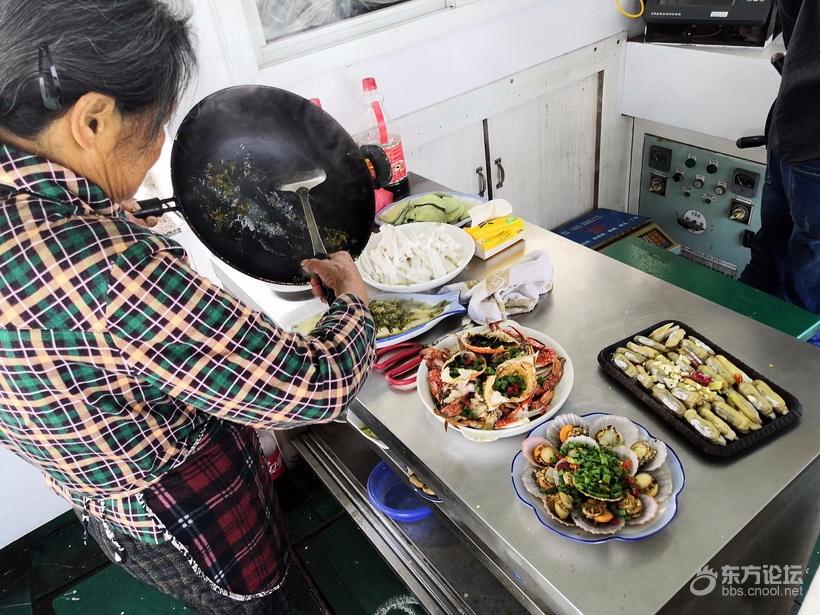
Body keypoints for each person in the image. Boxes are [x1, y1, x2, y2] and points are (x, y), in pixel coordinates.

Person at [0, 1, 376, 613]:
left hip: (102, 497)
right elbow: (316, 386)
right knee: (264, 602)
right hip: (189, 514)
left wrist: (106, 212)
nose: (156, 152)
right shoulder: (108, 270)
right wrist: (353, 301)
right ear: (91, 120)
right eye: (155, 130)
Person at [740, 0, 820, 332]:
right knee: (808, 297)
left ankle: (727, 339)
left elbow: (790, 14)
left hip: (789, 121)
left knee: (769, 253)